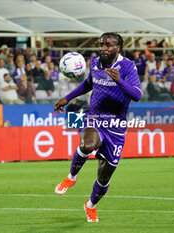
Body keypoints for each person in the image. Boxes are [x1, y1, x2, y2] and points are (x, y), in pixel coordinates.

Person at [53, 32, 141, 222]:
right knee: (87, 144)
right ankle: (71, 176)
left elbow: (137, 95)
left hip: (116, 126)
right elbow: (89, 83)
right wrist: (68, 97)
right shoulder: (95, 62)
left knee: (104, 178)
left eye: (108, 45)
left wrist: (119, 80)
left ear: (118, 47)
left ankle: (90, 205)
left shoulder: (127, 67)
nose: (104, 48)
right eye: (102, 44)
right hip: (94, 117)